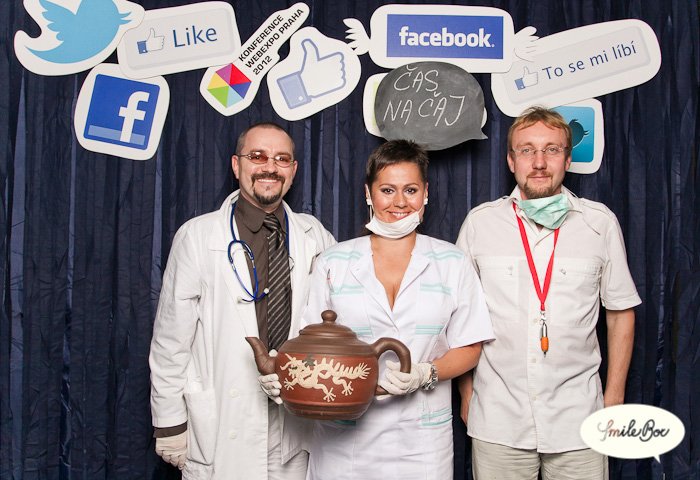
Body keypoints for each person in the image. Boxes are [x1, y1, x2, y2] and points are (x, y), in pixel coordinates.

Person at [456, 106, 641, 480]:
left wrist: (614, 397)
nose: (539, 162)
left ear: (568, 159)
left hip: (580, 419)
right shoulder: (481, 223)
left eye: (551, 150)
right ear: (511, 161)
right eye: (527, 150)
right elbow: (461, 315)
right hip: (498, 419)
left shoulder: (599, 223)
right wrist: (467, 393)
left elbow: (620, 311)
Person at [149, 122, 335, 480]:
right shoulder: (198, 236)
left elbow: (338, 317)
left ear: (293, 170)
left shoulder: (315, 235)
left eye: (282, 159)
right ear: (237, 166)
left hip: (294, 422)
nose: (270, 167)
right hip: (224, 419)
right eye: (258, 156)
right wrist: (169, 421)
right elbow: (170, 341)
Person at [298, 139, 494, 479]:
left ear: (426, 193)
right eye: (387, 190)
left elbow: (470, 346)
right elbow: (308, 346)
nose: (400, 202)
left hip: (421, 441)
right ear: (368, 193)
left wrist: (425, 373)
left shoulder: (452, 262)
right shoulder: (333, 261)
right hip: (344, 439)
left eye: (411, 190)